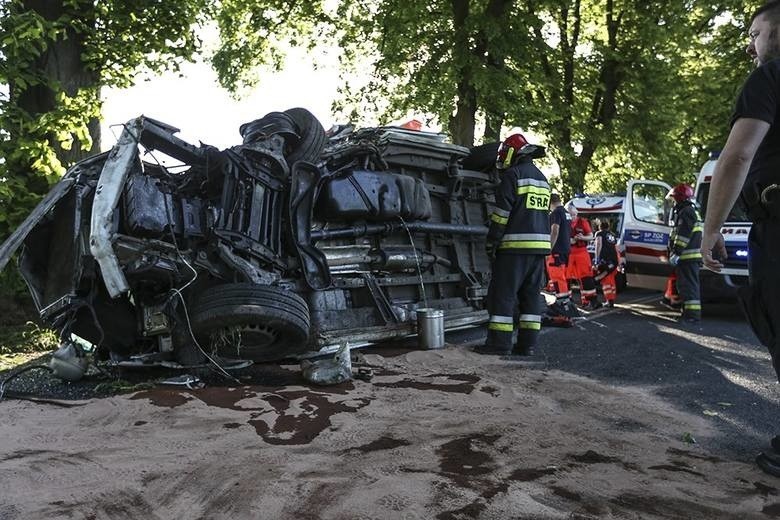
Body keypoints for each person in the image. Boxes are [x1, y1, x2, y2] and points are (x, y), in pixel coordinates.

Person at [700, 0, 780, 478]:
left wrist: (712, 230)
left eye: (755, 32)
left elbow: (737, 156)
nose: (750, 43)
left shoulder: (770, 78)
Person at [475, 134, 550, 356]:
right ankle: (527, 345)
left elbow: (501, 215)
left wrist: (492, 241)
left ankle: (499, 344)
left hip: (514, 248)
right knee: (531, 299)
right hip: (538, 250)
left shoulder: (513, 175)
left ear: (512, 154)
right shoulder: (542, 179)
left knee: (504, 296)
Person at [667, 183, 702, 323]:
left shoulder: (686, 212)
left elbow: (683, 235)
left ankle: (692, 316)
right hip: (688, 257)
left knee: (689, 287)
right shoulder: (690, 211)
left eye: (674, 199)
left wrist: (676, 252)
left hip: (687, 256)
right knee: (685, 286)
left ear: (680, 198)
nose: (673, 202)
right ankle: (687, 313)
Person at [566, 205, 602, 310]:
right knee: (566, 277)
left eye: (574, 215)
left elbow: (591, 236)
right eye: (570, 215)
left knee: (586, 277)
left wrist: (582, 237)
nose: (573, 217)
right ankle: (567, 301)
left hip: (581, 252)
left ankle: (591, 300)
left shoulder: (583, 222)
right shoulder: (564, 222)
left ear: (577, 214)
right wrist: (571, 241)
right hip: (568, 252)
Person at [546, 193, 575, 314]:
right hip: (565, 249)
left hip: (557, 250)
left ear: (550, 202)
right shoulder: (566, 213)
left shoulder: (556, 213)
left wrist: (549, 248)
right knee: (563, 277)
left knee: (558, 278)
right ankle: (566, 303)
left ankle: (562, 306)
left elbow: (555, 230)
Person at [594, 220, 620, 307]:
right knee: (611, 279)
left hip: (605, 260)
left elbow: (598, 245)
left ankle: (609, 300)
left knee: (606, 281)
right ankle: (612, 299)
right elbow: (616, 249)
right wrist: (619, 262)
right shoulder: (613, 235)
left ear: (600, 226)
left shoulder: (599, 234)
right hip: (613, 260)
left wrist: (597, 259)